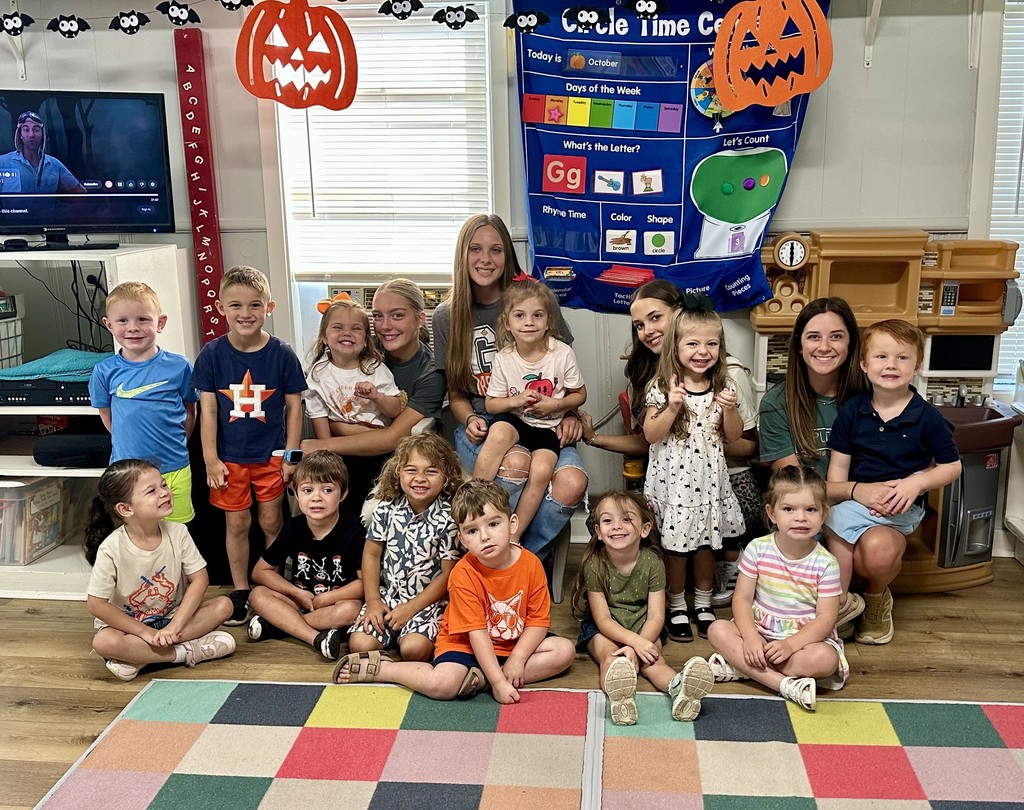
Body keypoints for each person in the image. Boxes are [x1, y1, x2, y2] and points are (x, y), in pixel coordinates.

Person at [580, 280, 763, 608]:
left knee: (700, 544)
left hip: (728, 482)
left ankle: (730, 563)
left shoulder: (724, 375)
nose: (648, 330)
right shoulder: (659, 376)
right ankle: (646, 587)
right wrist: (593, 437)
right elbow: (651, 439)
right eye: (639, 324)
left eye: (655, 318)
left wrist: (702, 442)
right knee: (629, 520)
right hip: (675, 481)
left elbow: (748, 444)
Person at [333, 479, 575, 703]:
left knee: (564, 652)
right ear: (462, 539)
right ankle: (383, 669)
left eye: (493, 524)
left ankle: (479, 679)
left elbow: (537, 622)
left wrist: (517, 660)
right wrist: (499, 682)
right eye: (472, 531)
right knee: (443, 685)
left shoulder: (531, 564)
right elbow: (477, 633)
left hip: (513, 642)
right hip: (467, 644)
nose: (485, 537)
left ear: (512, 524)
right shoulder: (463, 573)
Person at [433, 214, 587, 561]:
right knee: (515, 463)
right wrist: (470, 418)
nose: (485, 259)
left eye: (496, 250)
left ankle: (521, 561)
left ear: (508, 257)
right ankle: (479, 545)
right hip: (490, 421)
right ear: (462, 254)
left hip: (544, 421)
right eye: (475, 249)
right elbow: (457, 393)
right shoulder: (447, 315)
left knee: (571, 483)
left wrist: (571, 412)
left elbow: (564, 371)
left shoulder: (533, 302)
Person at [824, 319, 961, 645]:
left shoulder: (927, 417)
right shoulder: (851, 413)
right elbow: (836, 478)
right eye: (882, 357)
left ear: (917, 366)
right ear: (864, 364)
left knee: (872, 551)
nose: (891, 365)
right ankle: (840, 604)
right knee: (833, 521)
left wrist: (917, 484)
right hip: (857, 501)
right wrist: (852, 499)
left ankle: (871, 600)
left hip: (902, 506)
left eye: (902, 358)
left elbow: (952, 466)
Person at [191, 265, 307, 625]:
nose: (246, 314)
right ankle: (242, 589)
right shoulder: (211, 355)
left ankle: (275, 587)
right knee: (237, 524)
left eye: (255, 305)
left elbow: (294, 407)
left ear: (268, 307)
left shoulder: (282, 354)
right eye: (236, 305)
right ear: (221, 307)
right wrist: (210, 458)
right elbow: (207, 410)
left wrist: (291, 455)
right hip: (229, 459)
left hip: (271, 456)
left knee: (272, 520)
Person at [757, 296, 867, 635]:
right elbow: (793, 485)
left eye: (836, 336)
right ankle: (824, 612)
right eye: (813, 336)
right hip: (811, 507)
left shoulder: (872, 395)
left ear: (851, 344)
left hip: (862, 509)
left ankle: (873, 599)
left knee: (875, 552)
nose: (825, 346)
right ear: (799, 345)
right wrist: (853, 489)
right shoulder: (778, 402)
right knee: (796, 541)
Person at [301, 279, 447, 520]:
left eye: (397, 315)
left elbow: (392, 438)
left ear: (420, 319)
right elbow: (322, 397)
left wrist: (325, 439)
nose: (385, 326)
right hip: (343, 453)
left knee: (363, 513)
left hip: (391, 460)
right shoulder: (359, 348)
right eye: (378, 316)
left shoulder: (431, 373)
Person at [707, 466, 849, 712]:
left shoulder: (826, 563)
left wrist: (790, 645)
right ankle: (783, 684)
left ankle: (743, 668)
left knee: (826, 660)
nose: (801, 517)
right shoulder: (757, 549)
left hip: (803, 640)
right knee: (717, 629)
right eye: (789, 509)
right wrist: (751, 638)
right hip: (760, 630)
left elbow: (827, 618)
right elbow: (741, 599)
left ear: (823, 514)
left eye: (811, 509)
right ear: (772, 514)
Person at [642, 302, 745, 642]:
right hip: (675, 489)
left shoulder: (723, 387)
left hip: (709, 487)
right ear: (675, 346)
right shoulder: (661, 387)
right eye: (693, 344)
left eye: (711, 344)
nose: (703, 352)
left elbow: (732, 436)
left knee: (705, 547)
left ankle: (702, 602)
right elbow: (651, 435)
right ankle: (675, 605)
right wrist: (672, 406)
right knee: (675, 549)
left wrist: (730, 411)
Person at [84, 459, 236, 681]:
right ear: (125, 509)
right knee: (103, 642)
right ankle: (184, 653)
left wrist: (174, 626)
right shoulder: (110, 548)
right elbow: (96, 603)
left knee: (224, 605)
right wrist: (146, 633)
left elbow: (200, 579)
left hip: (171, 617)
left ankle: (140, 657)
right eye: (151, 491)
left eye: (163, 485)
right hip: (130, 628)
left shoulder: (179, 533)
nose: (165, 493)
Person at [572, 490, 714, 725]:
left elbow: (657, 615)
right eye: (608, 521)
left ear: (645, 529)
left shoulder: (652, 561)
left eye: (626, 519)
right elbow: (603, 619)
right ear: (598, 532)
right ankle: (621, 700)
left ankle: (681, 691)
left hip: (644, 623)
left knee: (654, 661)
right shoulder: (595, 565)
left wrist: (641, 644)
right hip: (605, 628)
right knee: (611, 658)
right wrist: (634, 644)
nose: (616, 526)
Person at [477, 281, 586, 539]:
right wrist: (515, 401)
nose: (529, 322)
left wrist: (555, 404)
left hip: (548, 427)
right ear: (507, 323)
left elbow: (580, 395)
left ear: (548, 321)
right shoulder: (504, 357)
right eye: (520, 315)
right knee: (500, 433)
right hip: (515, 420)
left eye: (537, 315)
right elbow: (491, 404)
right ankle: (475, 501)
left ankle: (515, 535)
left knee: (541, 471)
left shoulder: (562, 353)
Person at [348, 433, 463, 662]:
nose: (420, 478)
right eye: (411, 470)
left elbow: (448, 574)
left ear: (446, 476)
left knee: (413, 650)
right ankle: (388, 637)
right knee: (360, 645)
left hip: (427, 603)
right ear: (398, 473)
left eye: (431, 471)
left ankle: (403, 645)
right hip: (388, 597)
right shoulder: (385, 511)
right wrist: (373, 602)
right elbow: (371, 555)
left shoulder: (450, 518)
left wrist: (410, 609)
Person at [89, 282, 198, 524]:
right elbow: (107, 417)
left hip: (175, 467)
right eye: (123, 321)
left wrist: (178, 444)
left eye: (142, 319)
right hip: (128, 471)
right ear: (109, 325)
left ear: (160, 322)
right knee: (138, 535)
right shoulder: (103, 371)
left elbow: (191, 411)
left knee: (177, 534)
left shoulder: (179, 366)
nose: (133, 328)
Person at [246, 451, 365, 661]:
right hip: (301, 600)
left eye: (327, 490)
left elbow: (365, 583)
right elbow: (260, 572)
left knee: (350, 609)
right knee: (257, 595)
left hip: (334, 602)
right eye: (308, 490)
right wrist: (296, 593)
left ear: (343, 493)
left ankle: (279, 626)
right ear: (296, 493)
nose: (316, 497)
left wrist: (328, 597)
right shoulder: (293, 527)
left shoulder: (353, 532)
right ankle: (314, 637)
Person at [303, 293, 405, 520]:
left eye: (356, 329)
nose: (347, 333)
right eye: (338, 327)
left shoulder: (374, 368)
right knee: (339, 502)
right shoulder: (319, 374)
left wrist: (377, 396)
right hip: (339, 452)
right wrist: (326, 453)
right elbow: (318, 415)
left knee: (373, 505)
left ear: (366, 338)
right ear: (324, 337)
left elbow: (395, 410)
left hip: (378, 452)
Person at [0, 111, 86, 194]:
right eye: (26, 130)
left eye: (36, 130)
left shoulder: (54, 164)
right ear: (20, 135)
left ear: (43, 134)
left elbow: (81, 194)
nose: (31, 135)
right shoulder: (3, 162)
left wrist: (62, 207)